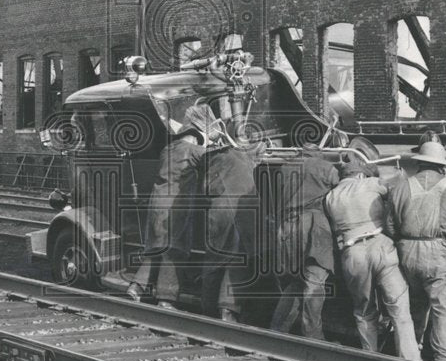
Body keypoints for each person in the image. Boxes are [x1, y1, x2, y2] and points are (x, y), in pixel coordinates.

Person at [385, 141, 446, 361]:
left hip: (407, 249)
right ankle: (442, 359)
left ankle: (413, 349)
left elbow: (390, 225)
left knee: (415, 302)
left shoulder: (401, 187)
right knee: (443, 305)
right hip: (438, 249)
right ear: (441, 165)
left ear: (420, 163)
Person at [324, 156, 420, 360]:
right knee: (399, 309)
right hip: (380, 246)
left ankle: (371, 358)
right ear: (359, 174)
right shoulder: (370, 183)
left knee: (363, 310)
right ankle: (411, 360)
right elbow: (396, 192)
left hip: (352, 253)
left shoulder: (330, 197)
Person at [126, 103, 217, 306]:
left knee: (156, 248)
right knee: (175, 250)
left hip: (156, 203)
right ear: (195, 137)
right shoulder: (194, 151)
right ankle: (166, 300)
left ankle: (136, 286)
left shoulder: (167, 149)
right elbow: (218, 161)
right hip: (176, 207)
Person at [270, 144, 339, 340]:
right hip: (313, 227)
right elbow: (341, 194)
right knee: (314, 282)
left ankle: (277, 331)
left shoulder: (285, 168)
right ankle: (313, 337)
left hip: (287, 229)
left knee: (294, 282)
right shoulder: (326, 168)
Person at [200, 135, 267, 323]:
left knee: (214, 260)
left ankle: (207, 310)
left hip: (215, 215)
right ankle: (227, 311)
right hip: (237, 217)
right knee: (238, 261)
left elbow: (206, 192)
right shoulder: (238, 158)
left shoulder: (216, 160)